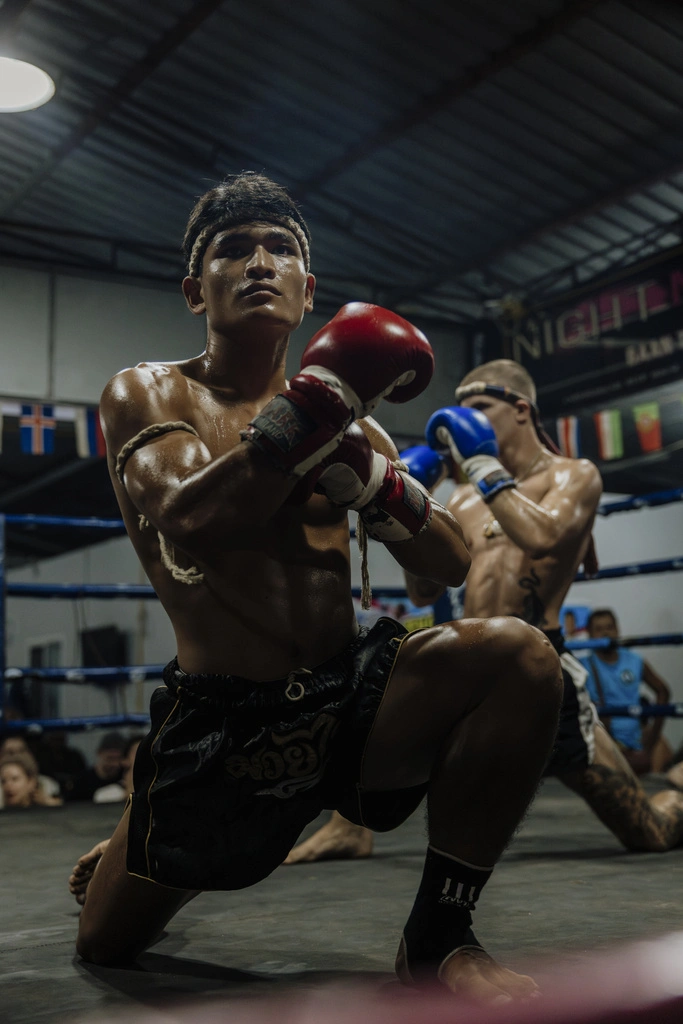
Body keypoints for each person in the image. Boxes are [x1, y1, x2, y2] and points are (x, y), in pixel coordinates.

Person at [69, 172, 563, 1002]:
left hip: (350, 695)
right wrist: (312, 412)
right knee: (107, 944)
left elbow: (445, 565)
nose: (259, 263)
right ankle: (138, 830)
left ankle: (440, 935)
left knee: (520, 654)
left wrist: (373, 481)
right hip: (225, 722)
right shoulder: (150, 391)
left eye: (281, 249)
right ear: (197, 289)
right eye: (233, 250)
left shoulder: (354, 425)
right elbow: (193, 518)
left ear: (308, 291)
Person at [290, 359, 683, 862]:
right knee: (370, 721)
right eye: (459, 410)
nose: (462, 421)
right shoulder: (467, 498)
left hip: (540, 667)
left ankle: (674, 802)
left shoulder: (572, 475)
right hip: (468, 657)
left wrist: (481, 466)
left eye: (478, 407)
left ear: (521, 410)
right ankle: (349, 827)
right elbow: (427, 590)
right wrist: (415, 506)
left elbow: (542, 537)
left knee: (645, 830)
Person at [581, 609, 672, 776]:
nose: (605, 632)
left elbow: (663, 691)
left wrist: (652, 737)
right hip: (604, 745)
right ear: (589, 634)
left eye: (609, 627)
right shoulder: (582, 666)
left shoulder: (634, 660)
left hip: (639, 742)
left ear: (617, 630)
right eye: (599, 629)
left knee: (663, 762)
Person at [0, 736, 61, 805]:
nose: (8, 785)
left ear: (31, 781)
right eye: (3, 781)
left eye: (15, 779)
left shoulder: (46, 784)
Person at [65, 731, 126, 802]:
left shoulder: (124, 778)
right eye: (110, 758)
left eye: (119, 758)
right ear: (99, 753)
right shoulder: (82, 781)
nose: (115, 764)